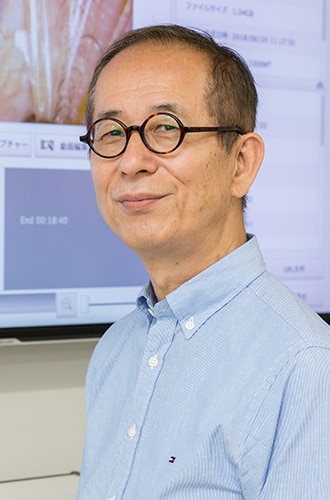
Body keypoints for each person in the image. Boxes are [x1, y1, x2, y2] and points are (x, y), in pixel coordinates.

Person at [77, 24, 330, 499]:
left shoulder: (307, 370)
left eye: (165, 129)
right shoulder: (115, 351)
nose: (131, 162)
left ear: (241, 163)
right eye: (110, 133)